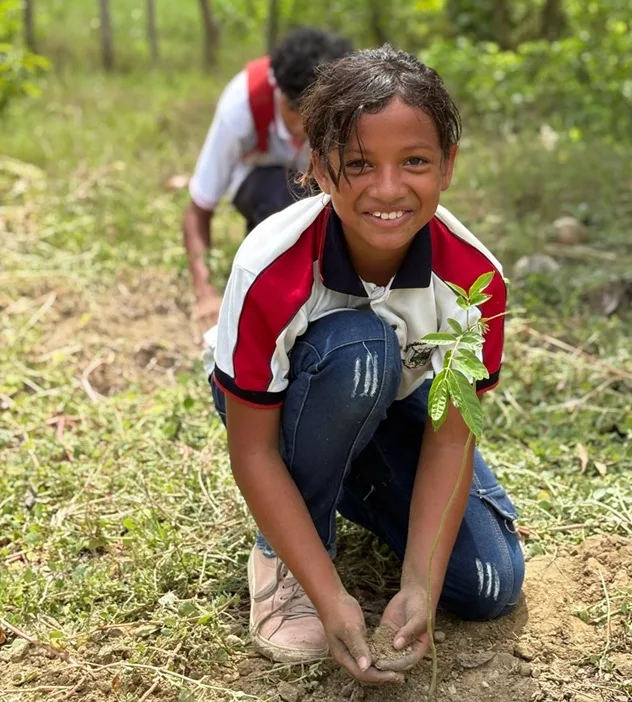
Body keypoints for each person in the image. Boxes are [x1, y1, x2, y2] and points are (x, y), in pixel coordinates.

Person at [206, 45, 525, 685]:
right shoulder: (270, 268)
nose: (388, 188)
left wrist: (419, 587)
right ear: (321, 170)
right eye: (359, 164)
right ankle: (289, 556)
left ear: (447, 166)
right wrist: (329, 596)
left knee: (489, 584)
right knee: (361, 353)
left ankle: (346, 480)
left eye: (414, 162)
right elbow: (254, 451)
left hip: (394, 404)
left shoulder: (474, 282)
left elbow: (450, 436)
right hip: (283, 410)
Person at [183, 27, 353, 332]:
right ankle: (274, 284)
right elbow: (199, 208)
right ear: (287, 104)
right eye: (306, 115)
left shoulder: (343, 108)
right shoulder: (240, 109)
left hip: (317, 180)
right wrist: (205, 291)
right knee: (282, 194)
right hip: (256, 179)